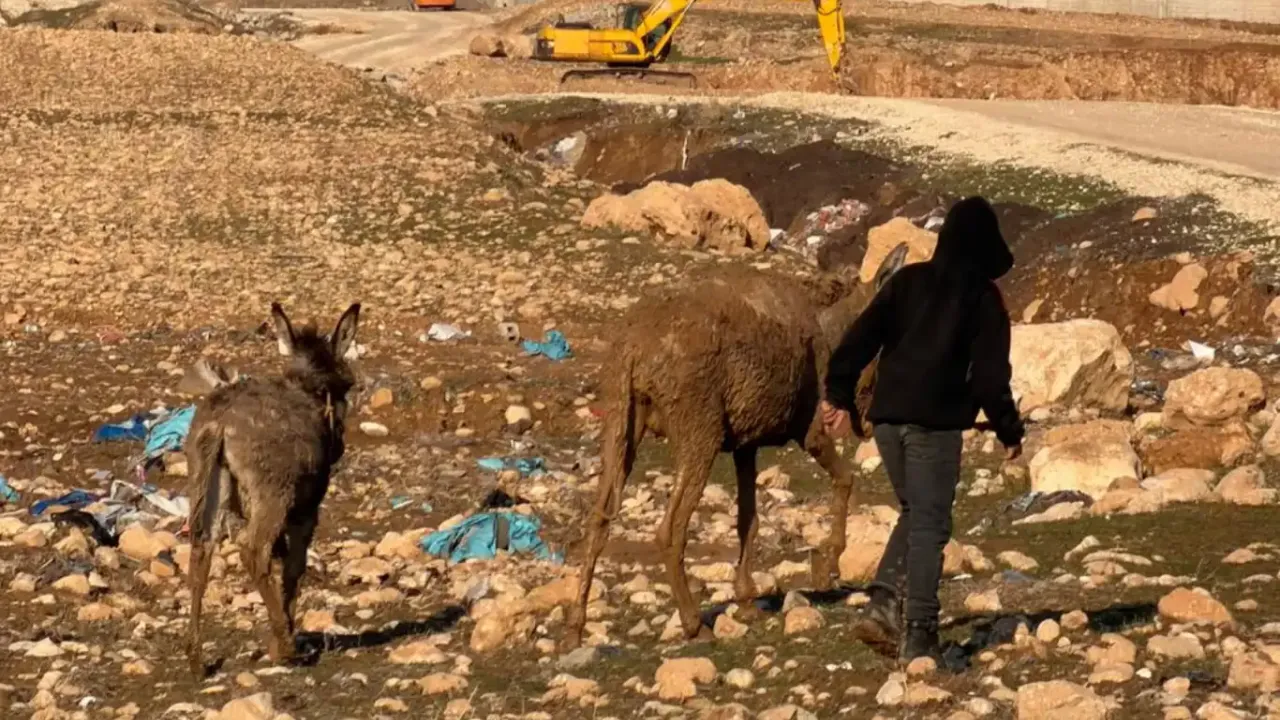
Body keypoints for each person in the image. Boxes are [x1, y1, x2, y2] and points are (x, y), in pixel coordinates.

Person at [821, 196, 1025, 665]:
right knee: (931, 523)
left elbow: (858, 340)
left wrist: (838, 393)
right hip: (934, 427)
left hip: (889, 423)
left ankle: (883, 604)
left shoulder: (907, 282)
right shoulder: (984, 299)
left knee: (916, 511)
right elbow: (992, 378)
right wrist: (1009, 429)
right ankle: (920, 635)